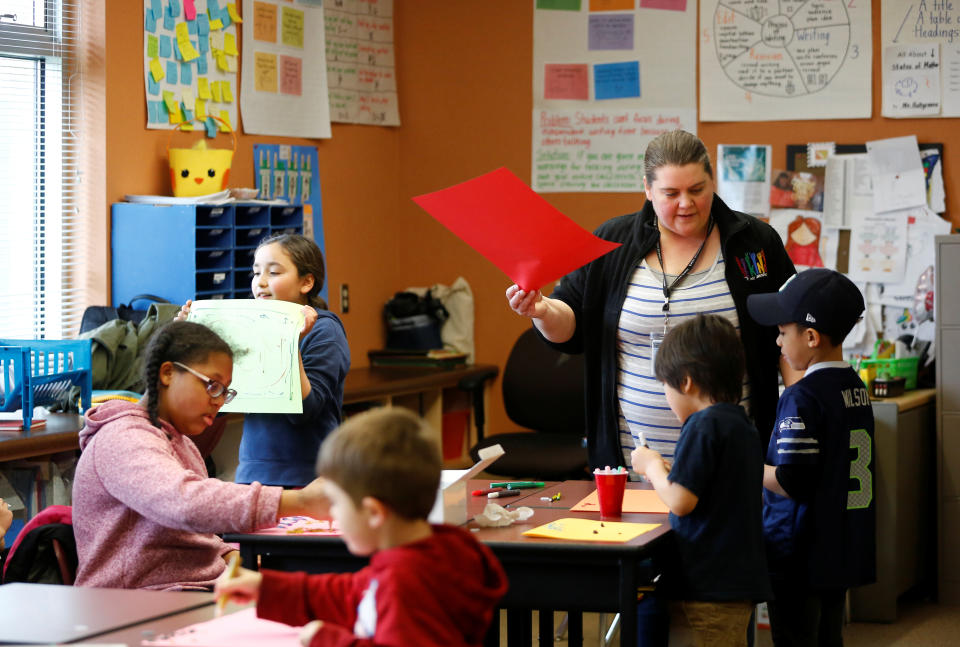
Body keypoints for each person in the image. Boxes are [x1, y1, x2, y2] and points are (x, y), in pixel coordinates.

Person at [506, 129, 796, 471]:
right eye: (670, 193)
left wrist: (799, 413)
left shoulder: (753, 242)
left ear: (711, 181)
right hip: (631, 461)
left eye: (697, 190)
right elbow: (571, 327)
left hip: (734, 459)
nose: (686, 203)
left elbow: (790, 333)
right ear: (647, 189)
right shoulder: (612, 241)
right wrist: (541, 310)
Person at [214, 407, 508, 646]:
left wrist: (324, 639)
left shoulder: (406, 582)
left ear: (373, 513)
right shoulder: (429, 551)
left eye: (335, 504)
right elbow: (353, 593)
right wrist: (267, 589)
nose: (329, 514)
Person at [72, 321, 331, 590]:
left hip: (194, 590)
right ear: (168, 373)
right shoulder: (122, 437)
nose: (219, 401)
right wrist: (299, 500)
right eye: (213, 386)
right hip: (138, 602)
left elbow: (197, 531)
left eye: (225, 391)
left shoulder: (183, 444)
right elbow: (184, 502)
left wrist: (231, 557)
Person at [746, 268, 875, 647]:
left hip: (799, 552)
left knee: (795, 637)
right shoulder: (855, 387)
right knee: (827, 636)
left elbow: (792, 480)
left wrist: (746, 467)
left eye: (783, 332)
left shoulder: (801, 397)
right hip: (843, 543)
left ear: (812, 337)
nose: (777, 342)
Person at [631, 314, 771, 647]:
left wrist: (651, 467)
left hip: (707, 589)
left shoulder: (702, 425)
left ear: (687, 381)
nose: (666, 397)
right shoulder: (739, 423)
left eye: (665, 386)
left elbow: (681, 501)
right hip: (734, 583)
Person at [180, 233, 351, 487]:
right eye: (256, 272)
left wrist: (289, 341)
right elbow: (216, 401)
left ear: (306, 282)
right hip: (252, 477)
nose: (260, 282)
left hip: (311, 479)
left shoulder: (325, 331)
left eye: (274, 273)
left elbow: (306, 410)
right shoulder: (251, 326)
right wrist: (186, 340)